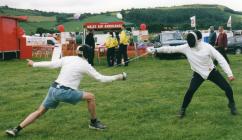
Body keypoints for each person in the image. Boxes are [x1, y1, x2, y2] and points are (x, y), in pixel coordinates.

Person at [6, 45, 127, 137]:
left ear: (78, 52)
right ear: (88, 54)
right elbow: (101, 79)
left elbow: (51, 64)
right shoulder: (85, 65)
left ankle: (16, 129)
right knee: (91, 97)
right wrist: (119, 76)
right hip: (63, 92)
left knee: (39, 111)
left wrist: (34, 64)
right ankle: (94, 122)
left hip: (53, 89)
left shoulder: (68, 58)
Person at [147, 30, 237, 118]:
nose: (190, 42)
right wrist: (156, 50)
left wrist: (229, 74)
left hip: (211, 71)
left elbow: (220, 59)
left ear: (198, 40)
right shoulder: (186, 47)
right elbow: (171, 49)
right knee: (190, 91)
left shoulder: (207, 47)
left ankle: (232, 105)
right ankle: (182, 110)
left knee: (227, 88)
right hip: (198, 73)